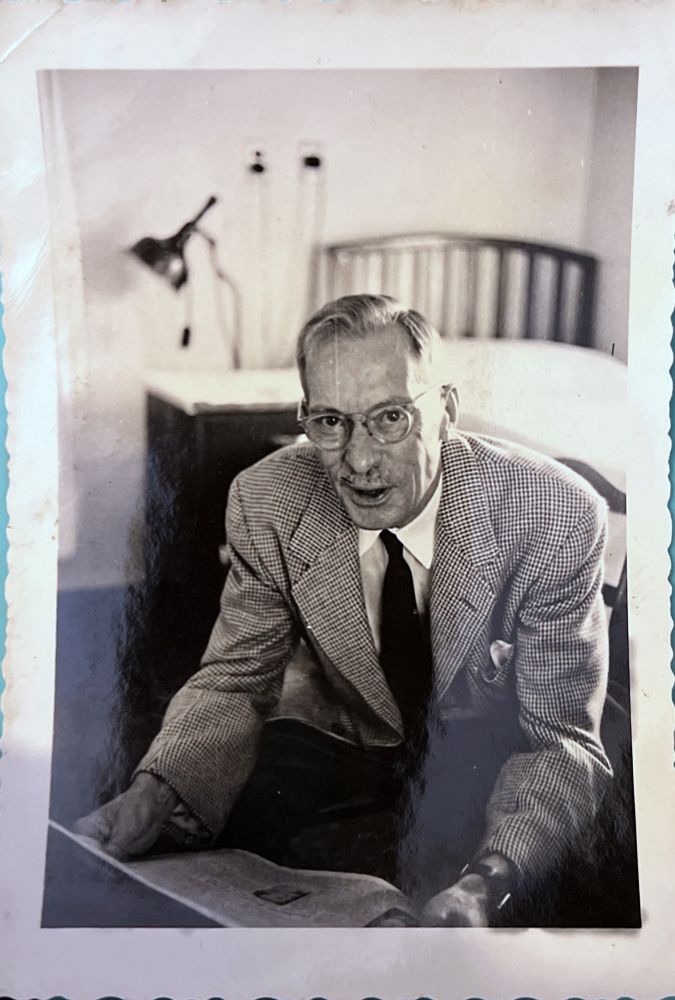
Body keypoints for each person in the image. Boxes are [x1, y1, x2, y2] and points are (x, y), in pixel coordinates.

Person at [75, 294, 613, 926]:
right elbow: (235, 679)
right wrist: (156, 792)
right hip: (353, 735)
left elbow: (558, 738)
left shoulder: (556, 513)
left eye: (390, 418)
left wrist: (488, 882)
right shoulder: (266, 497)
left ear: (446, 412)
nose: (358, 461)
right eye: (330, 422)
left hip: (491, 756)